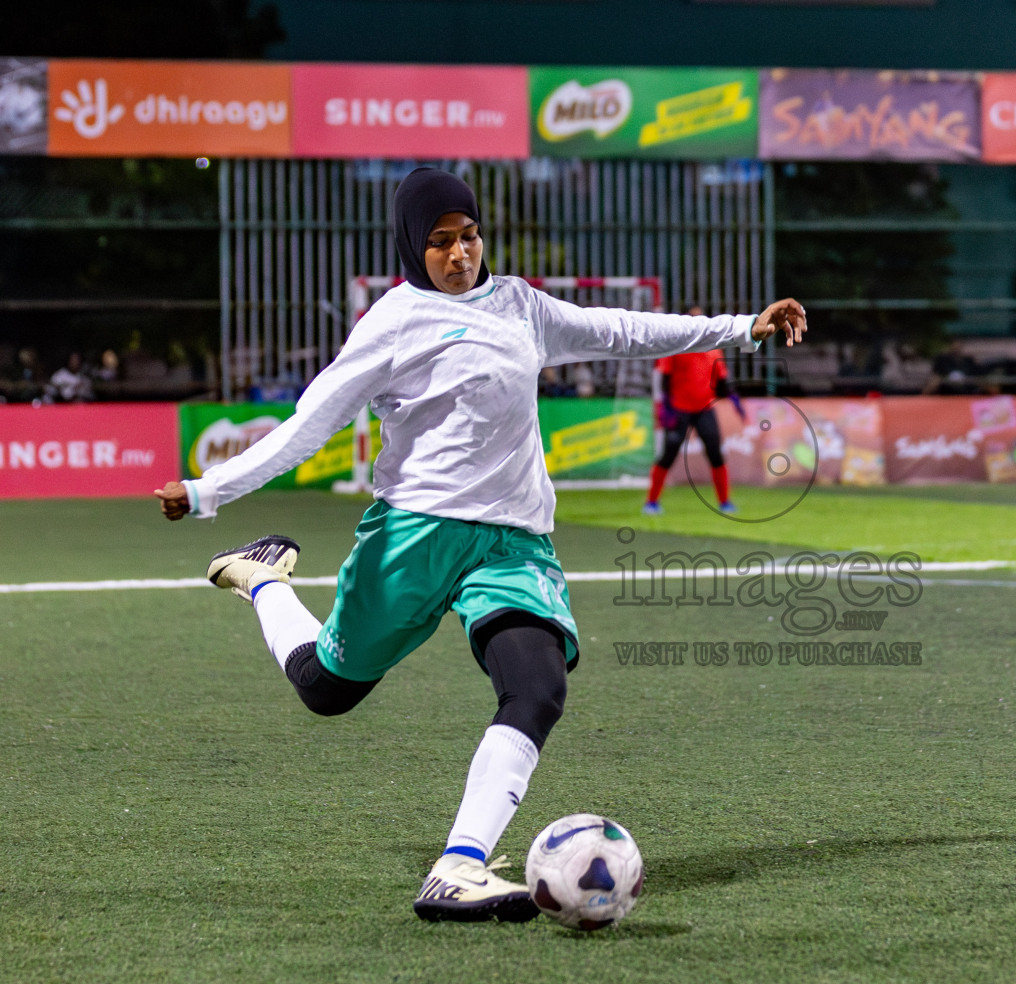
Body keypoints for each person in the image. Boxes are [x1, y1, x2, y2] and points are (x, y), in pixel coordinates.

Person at [154, 168, 807, 922]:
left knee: (538, 688)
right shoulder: (390, 323)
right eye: (440, 242)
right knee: (326, 690)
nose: (460, 252)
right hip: (413, 536)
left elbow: (619, 330)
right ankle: (263, 579)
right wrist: (208, 492)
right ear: (412, 246)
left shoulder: (520, 304)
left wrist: (739, 326)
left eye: (468, 235)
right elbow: (310, 424)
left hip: (514, 545)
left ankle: (457, 866)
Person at [642, 306, 745, 515]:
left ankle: (725, 502)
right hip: (679, 409)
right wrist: (667, 407)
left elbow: (722, 380)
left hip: (705, 408)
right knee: (668, 455)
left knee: (715, 453)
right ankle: (651, 502)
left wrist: (734, 398)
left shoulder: (713, 349)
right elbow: (665, 378)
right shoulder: (677, 347)